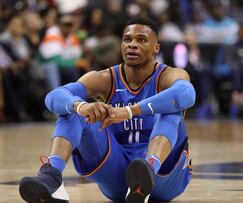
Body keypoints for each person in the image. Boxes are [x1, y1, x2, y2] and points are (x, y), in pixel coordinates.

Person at [19, 17, 196, 203]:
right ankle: (52, 176)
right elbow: (53, 97)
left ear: (156, 48)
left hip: (165, 176)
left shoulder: (169, 75)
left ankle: (149, 168)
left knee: (171, 106)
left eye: (141, 40)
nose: (132, 45)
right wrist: (82, 106)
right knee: (72, 107)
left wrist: (129, 111)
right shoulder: (105, 78)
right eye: (127, 40)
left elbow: (186, 94)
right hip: (117, 175)